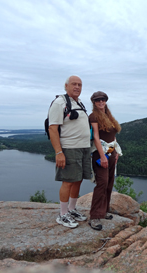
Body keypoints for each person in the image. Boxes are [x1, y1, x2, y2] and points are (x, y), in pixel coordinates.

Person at [48, 75, 91, 228]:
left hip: (83, 148)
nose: (77, 87)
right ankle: (63, 214)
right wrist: (59, 152)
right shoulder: (60, 102)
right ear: (66, 86)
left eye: (80, 84)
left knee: (77, 179)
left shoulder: (79, 103)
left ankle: (72, 209)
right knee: (68, 181)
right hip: (69, 148)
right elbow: (52, 128)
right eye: (74, 84)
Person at [88, 91, 122, 231]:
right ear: (94, 103)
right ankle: (94, 216)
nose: (101, 102)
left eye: (103, 100)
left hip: (111, 152)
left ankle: (104, 211)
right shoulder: (94, 116)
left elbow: (113, 137)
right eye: (98, 100)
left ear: (106, 101)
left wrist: (116, 151)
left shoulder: (108, 116)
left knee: (109, 183)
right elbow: (96, 137)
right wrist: (102, 156)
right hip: (100, 153)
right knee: (101, 183)